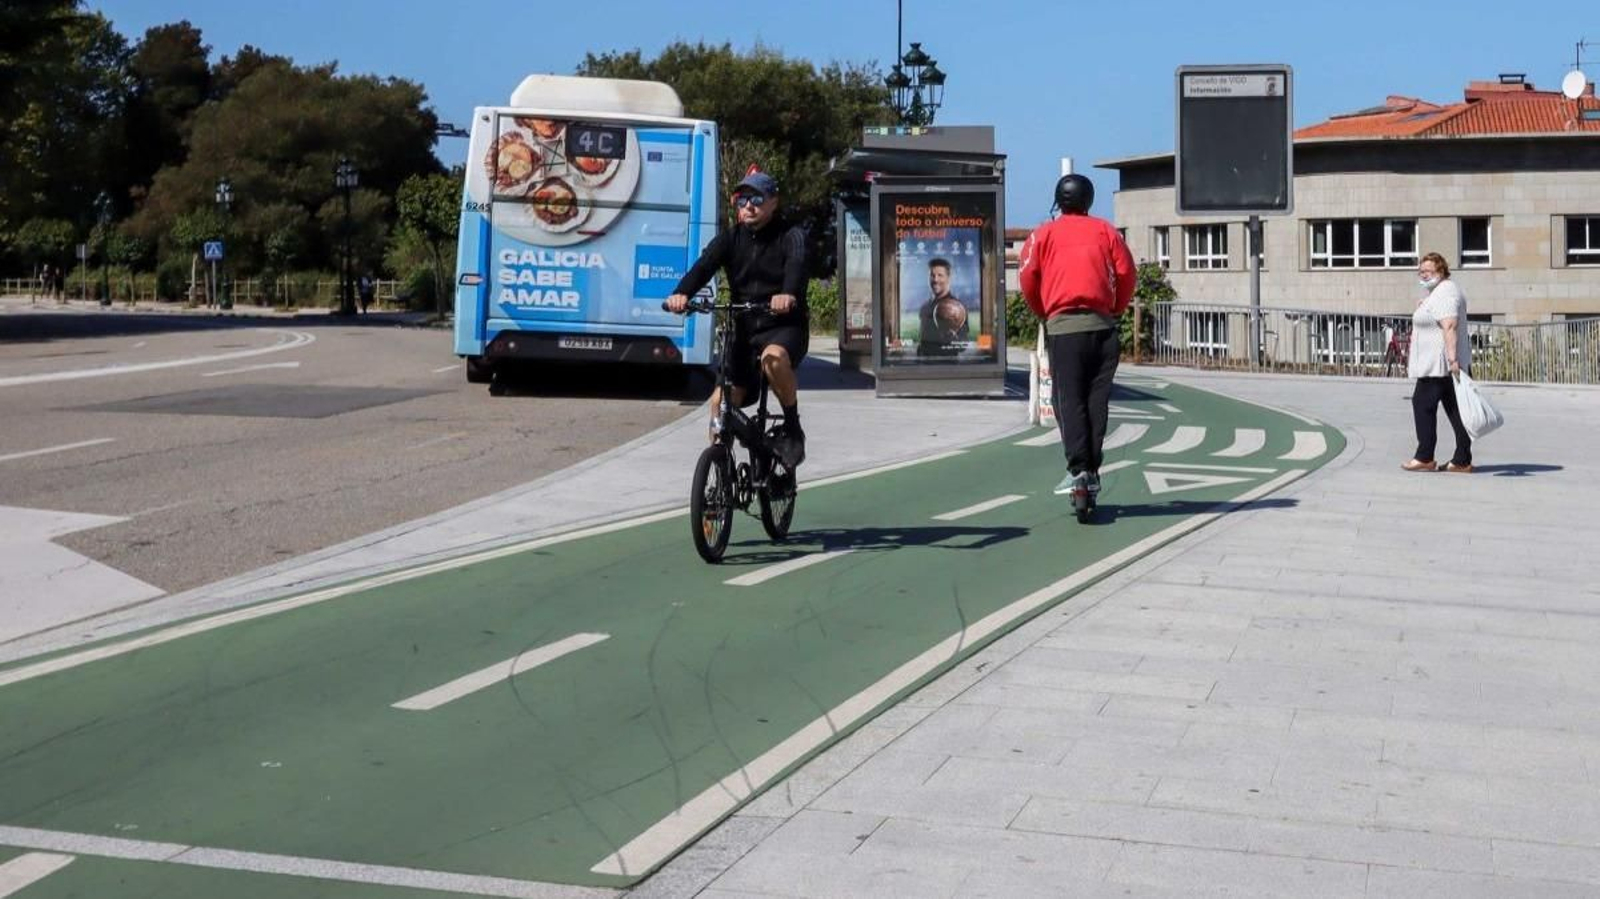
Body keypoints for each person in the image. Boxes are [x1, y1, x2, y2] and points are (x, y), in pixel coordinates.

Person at [666, 170, 809, 466]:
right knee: (719, 403)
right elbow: (703, 267)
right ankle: (719, 473)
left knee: (772, 360)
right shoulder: (730, 239)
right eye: (742, 199)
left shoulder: (790, 236)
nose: (748, 206)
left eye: (756, 198)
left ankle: (793, 427)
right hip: (744, 328)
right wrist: (681, 294)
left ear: (773, 203)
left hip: (782, 325)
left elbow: (796, 266)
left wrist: (788, 294)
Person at [1018, 173, 1136, 500]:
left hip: (1064, 329)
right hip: (1103, 328)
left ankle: (1079, 469)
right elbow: (1126, 272)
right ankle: (1093, 470)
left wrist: (1044, 310)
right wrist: (1115, 308)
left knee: (1068, 400)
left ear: (1060, 200)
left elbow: (1027, 275)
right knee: (1096, 400)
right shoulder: (1105, 231)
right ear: (1089, 200)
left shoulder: (1044, 234)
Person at [1404, 252, 1473, 473]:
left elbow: (1450, 326)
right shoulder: (1442, 292)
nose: (1424, 275)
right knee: (1456, 411)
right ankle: (1462, 459)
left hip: (1439, 365)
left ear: (1441, 271)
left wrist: (1452, 359)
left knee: (1422, 405)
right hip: (1443, 366)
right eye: (1421, 271)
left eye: (1429, 271)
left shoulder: (1445, 292)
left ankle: (1425, 456)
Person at [916, 258, 970, 356]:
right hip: (923, 367)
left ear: (948, 278)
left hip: (947, 367)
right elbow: (922, 341)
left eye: (940, 275)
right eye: (932, 275)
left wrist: (953, 338)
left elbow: (963, 345)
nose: (935, 279)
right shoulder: (925, 307)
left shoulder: (957, 308)